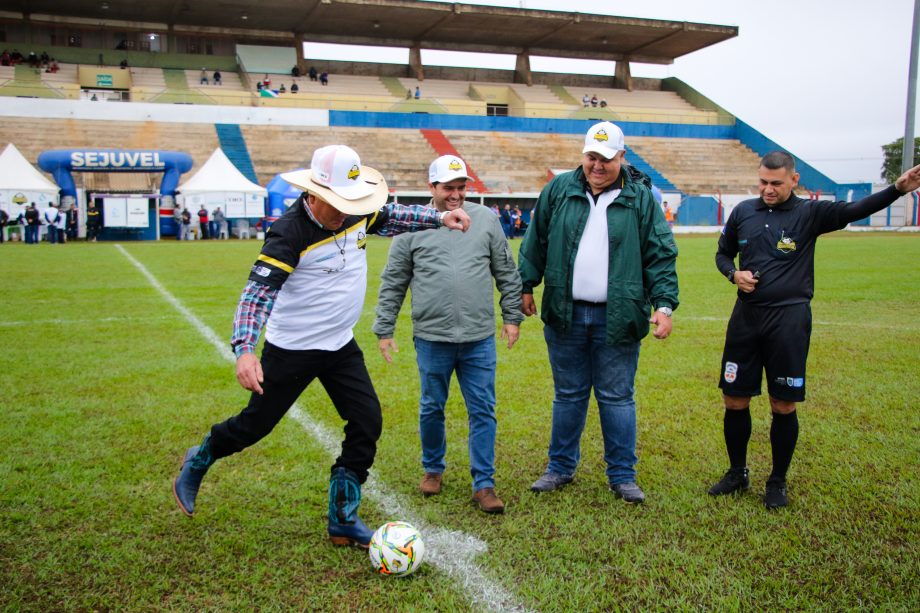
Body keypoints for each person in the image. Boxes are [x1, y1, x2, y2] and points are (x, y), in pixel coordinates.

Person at [171, 145, 471, 548]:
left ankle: (342, 517)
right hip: (292, 348)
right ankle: (201, 457)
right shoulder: (289, 233)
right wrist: (244, 349)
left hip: (339, 346)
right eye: (338, 202)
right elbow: (256, 295)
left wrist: (439, 217)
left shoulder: (356, 209)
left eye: (352, 201)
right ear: (314, 194)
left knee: (367, 422)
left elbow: (394, 215)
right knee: (253, 427)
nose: (347, 210)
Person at [709, 151, 920, 510]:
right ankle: (736, 472)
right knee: (734, 398)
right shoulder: (743, 212)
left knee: (783, 403)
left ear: (794, 180)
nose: (768, 189)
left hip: (789, 321)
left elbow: (856, 211)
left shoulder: (810, 214)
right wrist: (734, 274)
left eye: (776, 183)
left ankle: (777, 481)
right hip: (745, 318)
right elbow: (722, 254)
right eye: (762, 182)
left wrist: (897, 190)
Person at [518, 121, 679, 504]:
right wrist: (526, 284)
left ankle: (622, 475)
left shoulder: (640, 198)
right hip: (564, 312)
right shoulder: (558, 190)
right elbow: (535, 240)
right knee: (568, 395)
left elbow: (660, 254)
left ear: (622, 157)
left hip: (618, 315)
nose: (598, 166)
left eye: (606, 159)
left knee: (617, 397)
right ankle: (560, 468)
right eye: (592, 157)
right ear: (583, 155)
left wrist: (664, 304)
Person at [373, 156, 523, 514]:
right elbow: (394, 280)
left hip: (478, 337)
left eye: (461, 187)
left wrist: (512, 316)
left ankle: (484, 484)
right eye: (448, 188)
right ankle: (433, 469)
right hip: (432, 337)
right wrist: (384, 328)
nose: (455, 195)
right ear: (432, 188)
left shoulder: (485, 219)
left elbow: (505, 269)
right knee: (431, 407)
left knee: (483, 410)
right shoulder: (412, 226)